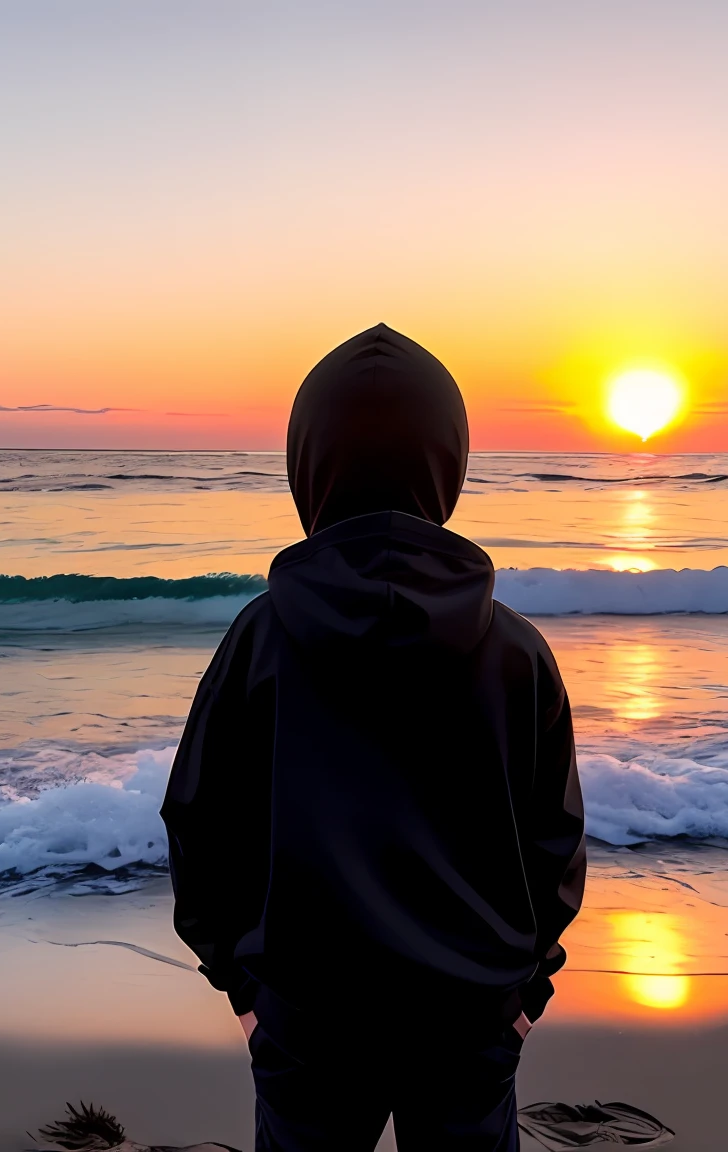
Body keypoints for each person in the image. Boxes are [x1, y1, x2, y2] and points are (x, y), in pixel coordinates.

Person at [160, 324, 586, 1152]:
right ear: (448, 462)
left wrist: (244, 987)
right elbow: (555, 845)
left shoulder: (263, 640)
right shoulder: (514, 649)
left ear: (309, 465)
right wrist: (526, 994)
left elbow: (198, 824)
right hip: (470, 1016)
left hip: (309, 1021)